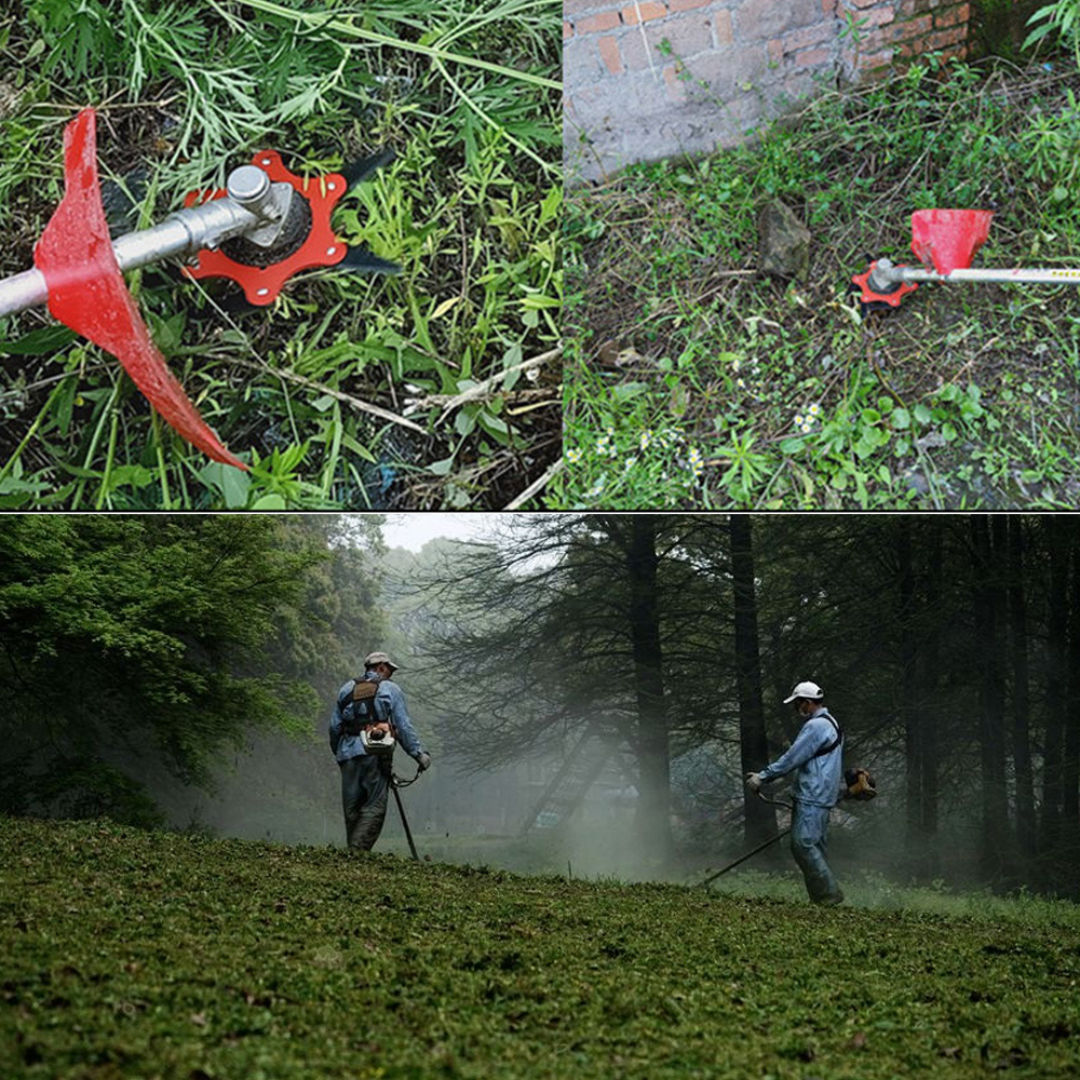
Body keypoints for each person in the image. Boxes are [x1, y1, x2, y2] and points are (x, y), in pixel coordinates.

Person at [745, 680, 844, 905]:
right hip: (822, 795)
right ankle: (820, 899)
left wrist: (763, 776)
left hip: (812, 794)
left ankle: (828, 894)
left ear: (807, 703)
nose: (796, 708)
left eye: (797, 703)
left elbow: (792, 757)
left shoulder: (816, 726)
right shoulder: (832, 723)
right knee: (815, 846)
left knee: (802, 845)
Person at [329, 651, 431, 850]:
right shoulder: (390, 689)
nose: (390, 674)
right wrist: (419, 755)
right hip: (375, 754)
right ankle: (356, 852)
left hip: (347, 756)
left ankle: (351, 856)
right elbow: (403, 727)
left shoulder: (346, 689)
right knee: (374, 807)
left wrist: (339, 752)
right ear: (381, 667)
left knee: (352, 809)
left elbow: (334, 727)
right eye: (389, 670)